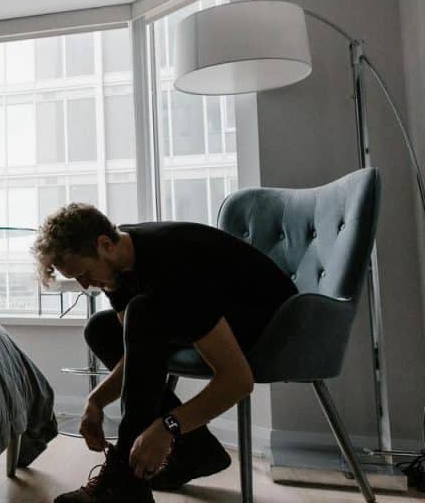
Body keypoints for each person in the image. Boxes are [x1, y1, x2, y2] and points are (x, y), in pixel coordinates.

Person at [31, 203, 297, 503]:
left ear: (103, 245)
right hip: (210, 310)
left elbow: (238, 380)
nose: (85, 285)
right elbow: (134, 354)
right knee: (101, 329)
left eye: (83, 273)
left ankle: (126, 485)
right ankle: (196, 450)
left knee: (143, 311)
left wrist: (169, 426)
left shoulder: (172, 266)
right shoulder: (116, 270)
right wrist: (96, 401)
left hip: (275, 322)